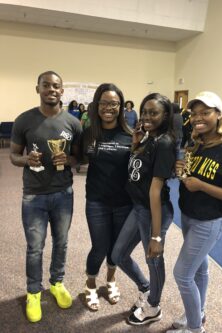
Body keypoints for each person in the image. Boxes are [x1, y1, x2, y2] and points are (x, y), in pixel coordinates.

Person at [166, 91, 222, 333]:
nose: (197, 118)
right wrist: (181, 171)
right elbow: (192, 177)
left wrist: (202, 185)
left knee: (182, 274)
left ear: (219, 115)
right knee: (200, 268)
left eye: (205, 112)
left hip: (210, 220)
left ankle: (195, 329)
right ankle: (198, 313)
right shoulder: (196, 143)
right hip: (189, 215)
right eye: (194, 114)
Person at [10, 71, 82, 323]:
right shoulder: (24, 120)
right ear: (38, 88)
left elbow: (78, 158)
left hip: (64, 193)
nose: (52, 89)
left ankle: (57, 283)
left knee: (61, 243)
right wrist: (26, 160)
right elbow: (13, 156)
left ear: (63, 91)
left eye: (56, 86)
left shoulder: (73, 123)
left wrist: (69, 160)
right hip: (34, 195)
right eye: (46, 85)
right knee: (35, 248)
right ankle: (33, 292)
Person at [112, 93, 176, 325]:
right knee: (118, 255)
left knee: (154, 259)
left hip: (153, 209)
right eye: (145, 111)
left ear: (165, 115)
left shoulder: (165, 142)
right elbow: (136, 170)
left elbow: (155, 189)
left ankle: (154, 306)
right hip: (139, 207)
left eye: (154, 112)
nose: (147, 116)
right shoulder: (148, 138)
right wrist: (135, 144)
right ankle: (146, 288)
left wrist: (156, 236)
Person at [82, 83, 133, 311]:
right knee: (99, 247)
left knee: (115, 249)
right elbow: (77, 159)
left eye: (113, 103)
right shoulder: (90, 132)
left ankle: (111, 280)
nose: (108, 108)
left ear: (121, 106)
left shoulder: (131, 135)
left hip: (123, 203)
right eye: (104, 103)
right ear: (97, 105)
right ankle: (90, 283)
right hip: (97, 201)